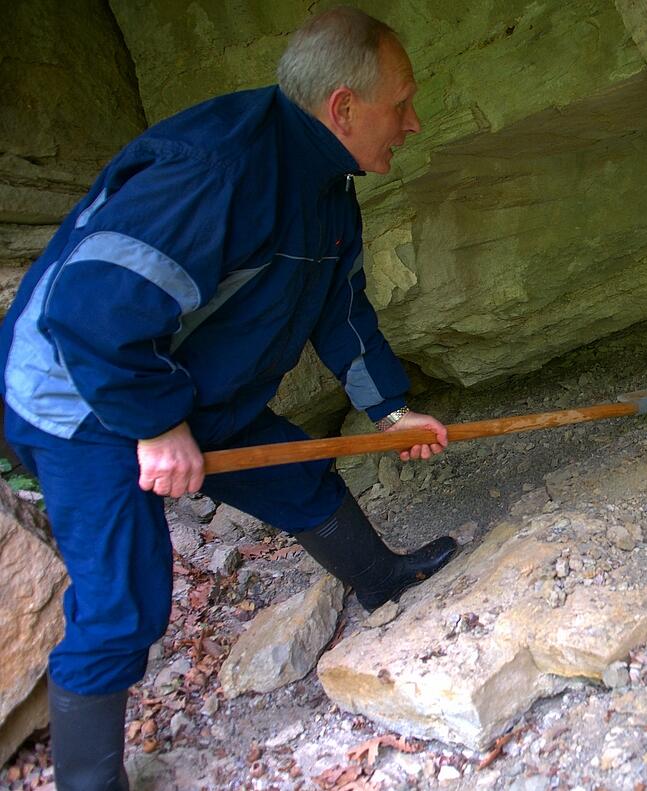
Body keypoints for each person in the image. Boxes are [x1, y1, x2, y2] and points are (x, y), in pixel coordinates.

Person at [0, 8, 455, 790]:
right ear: (343, 108)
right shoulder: (220, 168)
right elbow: (92, 312)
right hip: (81, 394)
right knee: (124, 598)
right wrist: (157, 423)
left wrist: (389, 410)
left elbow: (339, 309)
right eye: (402, 103)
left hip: (178, 380)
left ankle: (384, 580)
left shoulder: (326, 189)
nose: (413, 122)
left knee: (297, 474)